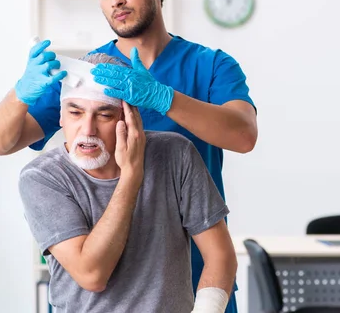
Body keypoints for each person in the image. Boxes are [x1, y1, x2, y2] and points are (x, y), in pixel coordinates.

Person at [0, 0, 257, 312]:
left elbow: (243, 135)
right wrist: (21, 91)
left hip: (195, 280)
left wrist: (163, 97)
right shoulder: (86, 77)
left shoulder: (211, 66)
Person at [19, 52, 237, 313]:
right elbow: (92, 275)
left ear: (130, 118)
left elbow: (220, 256)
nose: (87, 130)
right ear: (61, 118)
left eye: (104, 115)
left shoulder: (175, 154)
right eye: (75, 113)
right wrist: (131, 176)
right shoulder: (42, 177)